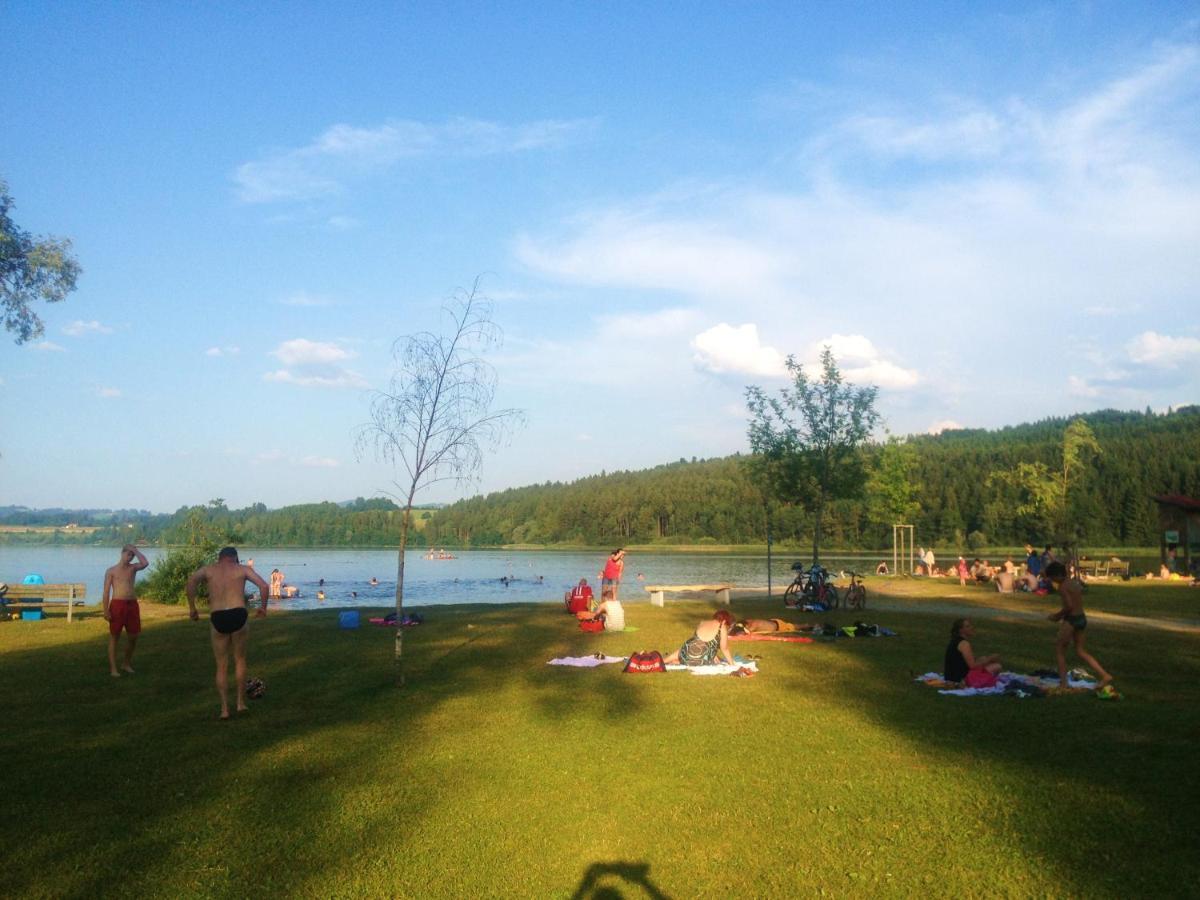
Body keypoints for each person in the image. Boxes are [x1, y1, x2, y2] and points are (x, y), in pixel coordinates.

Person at [186, 547, 270, 720]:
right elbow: (263, 585)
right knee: (240, 660)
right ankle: (240, 703)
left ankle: (224, 709)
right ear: (235, 558)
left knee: (221, 665)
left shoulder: (208, 569)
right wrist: (263, 608)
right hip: (238, 614)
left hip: (218, 617)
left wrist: (192, 608)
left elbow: (191, 582)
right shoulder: (243, 569)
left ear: (220, 557)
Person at [1045, 561, 1112, 689]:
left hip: (1072, 620)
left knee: (1060, 650)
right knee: (1080, 650)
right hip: (1082, 618)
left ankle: (1064, 683)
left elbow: (1069, 606)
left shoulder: (1063, 587)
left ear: (1058, 575)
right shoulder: (1073, 583)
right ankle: (1104, 675)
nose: (1051, 580)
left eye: (1052, 577)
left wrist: (1056, 616)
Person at [102, 544, 149, 677]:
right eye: (128, 554)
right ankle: (113, 669)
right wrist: (106, 610)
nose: (130, 557)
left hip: (132, 604)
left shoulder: (133, 568)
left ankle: (126, 663)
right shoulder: (111, 571)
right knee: (114, 636)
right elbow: (106, 592)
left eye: (132, 555)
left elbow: (145, 563)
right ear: (122, 553)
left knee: (133, 636)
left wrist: (136, 550)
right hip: (117, 604)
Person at [663, 609, 737, 667]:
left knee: (683, 650)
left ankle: (664, 660)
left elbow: (697, 642)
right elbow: (724, 648)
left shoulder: (702, 622)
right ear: (724, 621)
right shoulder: (721, 627)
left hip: (687, 649)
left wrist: (714, 655)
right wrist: (732, 664)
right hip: (701, 657)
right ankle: (677, 662)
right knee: (699, 659)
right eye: (727, 624)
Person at [944, 618, 1002, 688]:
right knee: (997, 666)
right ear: (961, 630)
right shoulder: (964, 644)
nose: (971, 628)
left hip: (952, 675)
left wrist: (984, 660)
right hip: (961, 677)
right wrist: (990, 659)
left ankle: (989, 679)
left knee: (983, 658)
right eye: (967, 626)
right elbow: (972, 666)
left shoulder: (955, 641)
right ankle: (989, 681)